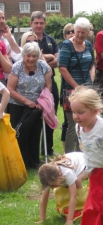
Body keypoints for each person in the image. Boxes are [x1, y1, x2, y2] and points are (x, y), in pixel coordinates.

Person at [7, 42, 52, 169]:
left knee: (35, 133)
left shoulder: (43, 66)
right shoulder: (17, 67)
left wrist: (43, 101)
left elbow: (48, 86)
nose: (31, 59)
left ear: (38, 56)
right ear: (23, 55)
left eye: (34, 56)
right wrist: (27, 102)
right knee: (20, 133)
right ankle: (21, 162)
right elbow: (10, 89)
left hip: (37, 106)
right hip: (18, 105)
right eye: (28, 56)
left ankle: (34, 162)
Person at [58, 17, 94, 153]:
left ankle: (84, 153)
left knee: (87, 121)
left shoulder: (89, 45)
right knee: (72, 124)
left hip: (87, 88)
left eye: (83, 33)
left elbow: (92, 64)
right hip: (71, 90)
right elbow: (62, 68)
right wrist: (77, 87)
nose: (79, 35)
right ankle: (69, 156)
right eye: (77, 31)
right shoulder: (67, 45)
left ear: (87, 33)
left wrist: (91, 81)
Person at [29, 11, 59, 157]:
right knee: (34, 120)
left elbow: (58, 61)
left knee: (50, 114)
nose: (39, 25)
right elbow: (28, 60)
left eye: (41, 23)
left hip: (50, 82)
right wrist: (47, 58)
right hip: (32, 85)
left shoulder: (50, 40)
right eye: (36, 22)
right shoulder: (28, 39)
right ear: (31, 24)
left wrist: (41, 60)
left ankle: (48, 149)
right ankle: (32, 152)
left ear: (45, 23)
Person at [37, 153, 88, 225]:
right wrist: (42, 219)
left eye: (53, 185)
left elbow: (72, 197)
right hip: (74, 163)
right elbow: (44, 199)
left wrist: (69, 220)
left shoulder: (67, 173)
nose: (52, 188)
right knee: (66, 187)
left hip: (86, 163)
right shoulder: (48, 178)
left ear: (60, 175)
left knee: (77, 181)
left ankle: (83, 207)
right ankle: (75, 209)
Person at [59, 23, 75, 152]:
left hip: (82, 88)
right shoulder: (65, 47)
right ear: (65, 35)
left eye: (74, 31)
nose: (72, 33)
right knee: (69, 123)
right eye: (69, 32)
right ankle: (67, 152)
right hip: (68, 90)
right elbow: (61, 67)